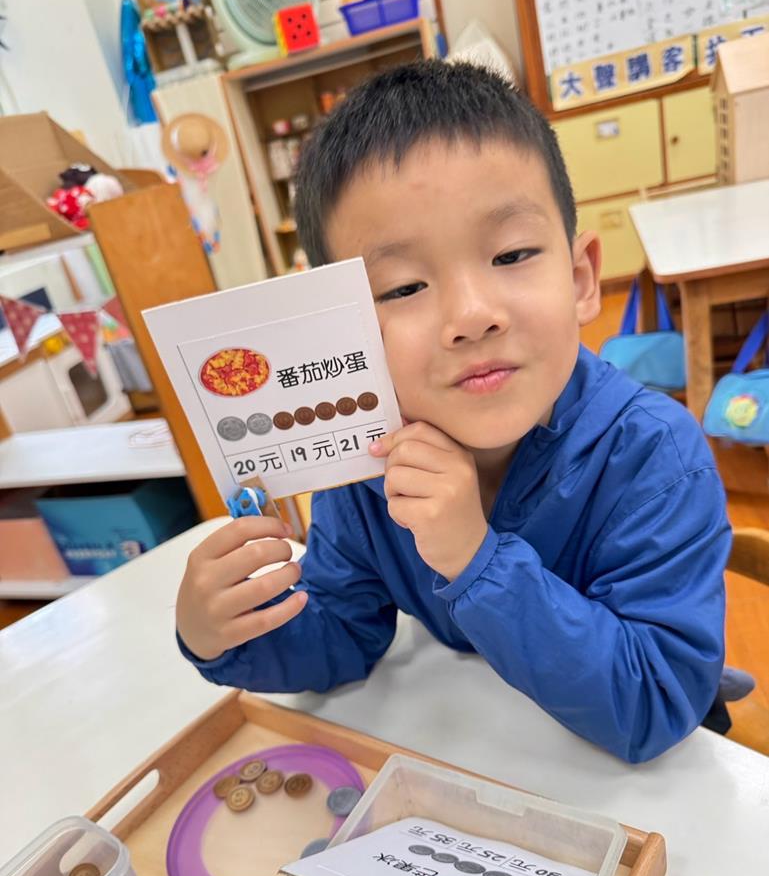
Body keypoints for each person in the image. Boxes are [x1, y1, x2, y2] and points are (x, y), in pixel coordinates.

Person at [176, 61, 732, 763]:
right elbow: (343, 632)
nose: (471, 316)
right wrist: (222, 636)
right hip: (477, 759)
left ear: (580, 278)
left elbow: (655, 699)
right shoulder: (367, 466)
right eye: (403, 287)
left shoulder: (654, 455)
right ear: (339, 330)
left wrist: (475, 556)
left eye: (512, 254)